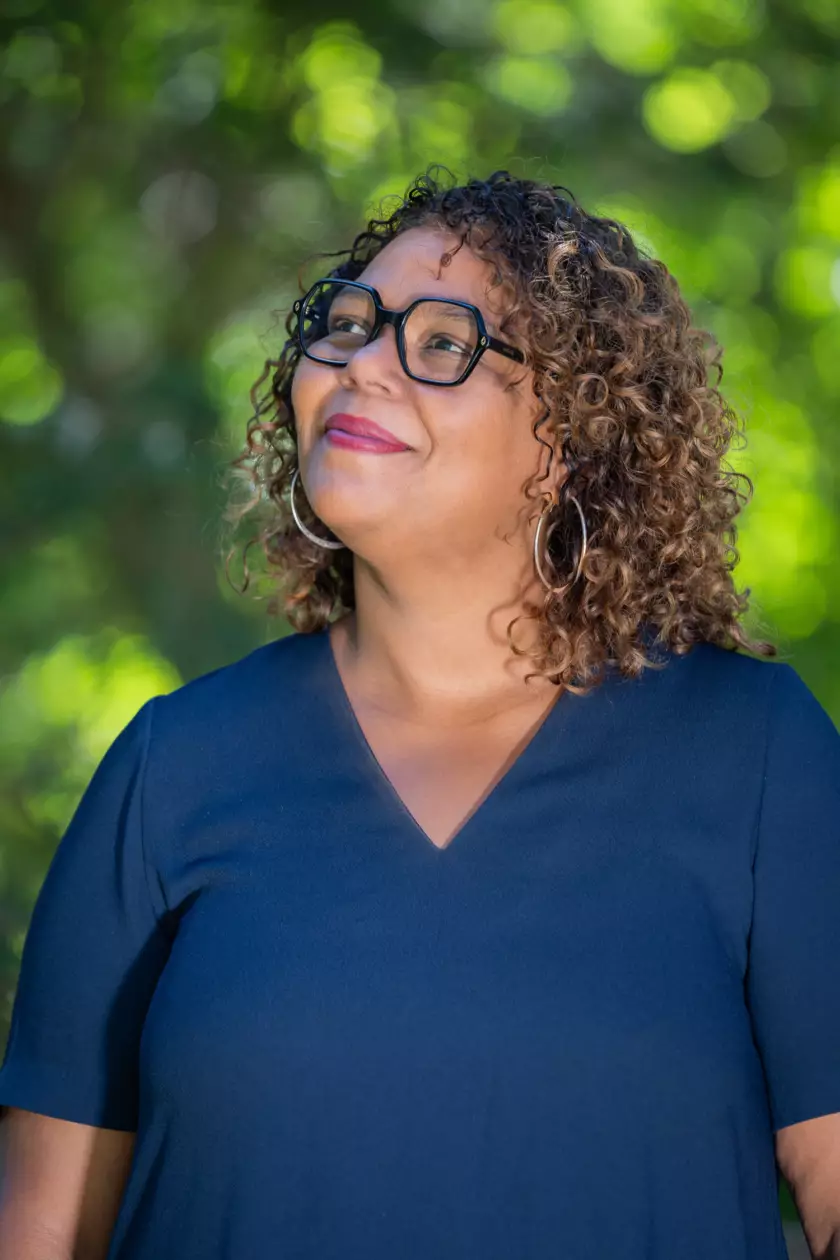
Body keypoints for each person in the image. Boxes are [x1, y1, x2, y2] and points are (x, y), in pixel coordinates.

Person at [0, 168, 839, 1260]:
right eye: (344, 324)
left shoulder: (758, 752)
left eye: (442, 343)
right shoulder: (174, 764)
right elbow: (40, 1229)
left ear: (573, 441)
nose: (361, 366)